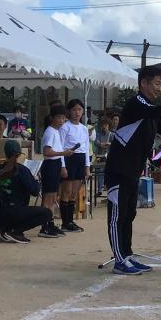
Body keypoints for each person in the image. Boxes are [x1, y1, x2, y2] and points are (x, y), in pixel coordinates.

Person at [105, 66, 161, 275]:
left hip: (133, 171)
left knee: (129, 214)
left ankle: (127, 254)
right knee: (117, 215)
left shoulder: (150, 110)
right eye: (157, 84)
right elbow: (156, 111)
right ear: (143, 83)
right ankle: (119, 260)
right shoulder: (136, 104)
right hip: (119, 169)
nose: (160, 88)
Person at [0, 140, 52, 243]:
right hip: (14, 212)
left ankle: (4, 228)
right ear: (19, 155)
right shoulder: (22, 170)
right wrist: (36, 180)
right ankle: (14, 231)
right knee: (47, 213)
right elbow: (35, 192)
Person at [58, 99, 90, 232]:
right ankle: (65, 222)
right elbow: (60, 147)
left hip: (80, 159)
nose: (77, 113)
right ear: (69, 112)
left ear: (83, 112)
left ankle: (70, 221)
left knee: (74, 193)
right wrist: (62, 166)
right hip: (69, 158)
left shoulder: (84, 128)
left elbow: (86, 148)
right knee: (66, 191)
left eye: (79, 110)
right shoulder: (65, 127)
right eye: (74, 110)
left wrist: (87, 166)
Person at [39, 104, 69, 238]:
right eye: (59, 118)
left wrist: (62, 163)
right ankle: (45, 226)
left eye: (63, 118)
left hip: (55, 164)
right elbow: (47, 151)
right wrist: (64, 153)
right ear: (52, 118)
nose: (61, 121)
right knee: (48, 198)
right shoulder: (50, 131)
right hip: (50, 164)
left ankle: (50, 224)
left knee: (53, 197)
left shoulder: (56, 131)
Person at [93, 118, 114, 196]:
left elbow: (116, 144)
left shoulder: (111, 134)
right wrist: (100, 144)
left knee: (108, 173)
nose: (104, 127)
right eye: (102, 125)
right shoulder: (98, 134)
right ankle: (99, 190)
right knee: (99, 173)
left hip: (109, 156)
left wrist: (109, 144)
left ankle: (108, 188)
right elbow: (95, 142)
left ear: (109, 126)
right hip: (100, 156)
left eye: (106, 125)